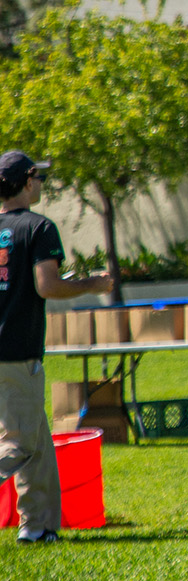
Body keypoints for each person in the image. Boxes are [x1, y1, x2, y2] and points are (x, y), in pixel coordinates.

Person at [0, 152, 115, 545]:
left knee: (38, 444)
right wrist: (91, 285)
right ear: (27, 182)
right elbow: (47, 286)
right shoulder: (39, 228)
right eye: (39, 178)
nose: (43, 185)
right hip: (16, 351)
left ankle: (37, 527)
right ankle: (35, 526)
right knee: (20, 443)